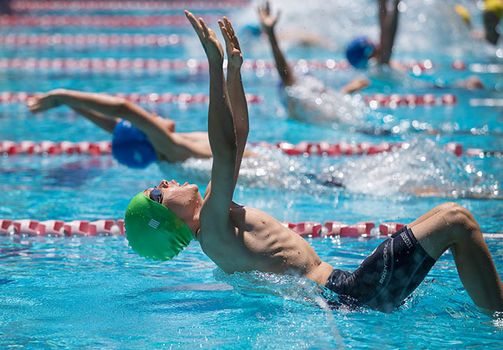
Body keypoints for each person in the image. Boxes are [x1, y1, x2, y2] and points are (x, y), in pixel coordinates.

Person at [125, 12, 503, 314]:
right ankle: (499, 319)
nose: (166, 184)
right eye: (158, 194)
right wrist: (213, 64)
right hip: (353, 296)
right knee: (455, 219)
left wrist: (233, 73)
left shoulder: (213, 215)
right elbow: (223, 151)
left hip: (348, 289)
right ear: (168, 224)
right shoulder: (211, 229)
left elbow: (237, 136)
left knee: (446, 216)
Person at [27, 89, 250, 168]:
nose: (152, 116)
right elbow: (124, 110)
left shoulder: (166, 150)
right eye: (147, 122)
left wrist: (70, 103)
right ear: (148, 135)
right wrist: (61, 94)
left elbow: (115, 127)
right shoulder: (173, 148)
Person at [257, 1, 372, 128]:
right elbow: (284, 72)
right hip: (345, 126)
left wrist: (347, 90)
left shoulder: (300, 104)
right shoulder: (294, 93)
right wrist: (271, 35)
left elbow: (327, 100)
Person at [345, 0, 400, 69]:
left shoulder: (380, 64)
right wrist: (396, 3)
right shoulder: (383, 60)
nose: (376, 44)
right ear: (368, 52)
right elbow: (388, 35)